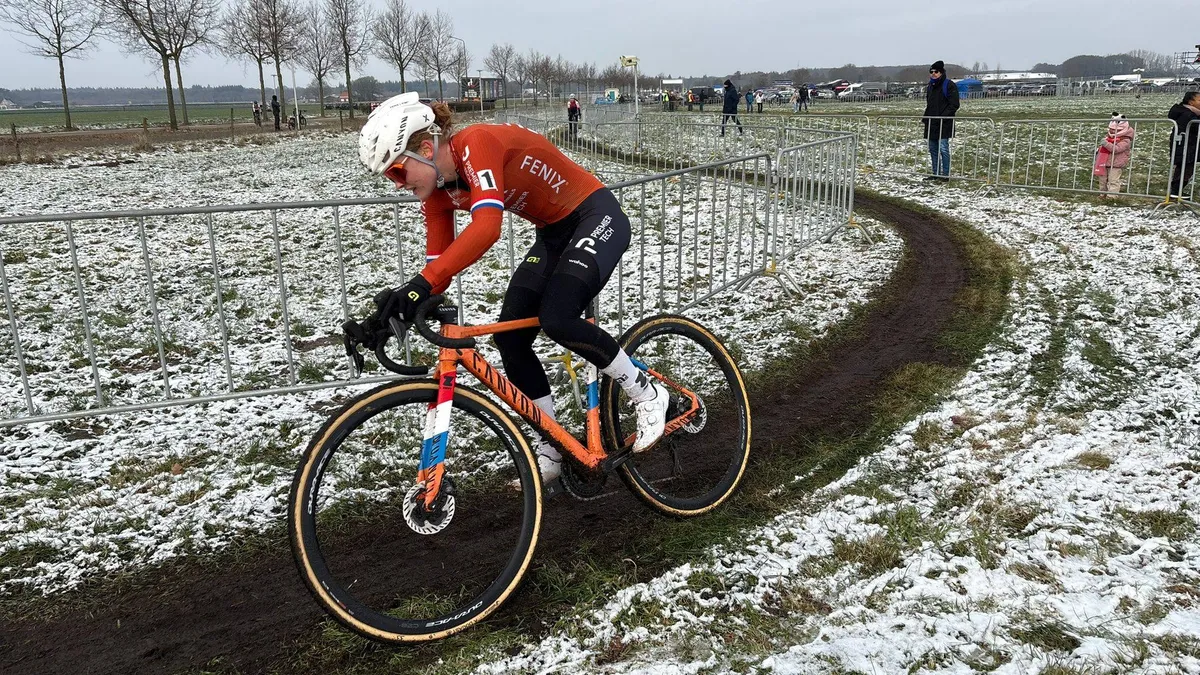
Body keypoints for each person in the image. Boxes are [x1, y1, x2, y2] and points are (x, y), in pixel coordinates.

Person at [358, 92, 670, 483]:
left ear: (425, 148)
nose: (397, 185)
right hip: (554, 234)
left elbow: (487, 228)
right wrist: (395, 308)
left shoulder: (476, 143)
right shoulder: (438, 194)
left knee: (557, 318)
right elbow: (437, 269)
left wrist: (421, 287)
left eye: (398, 173)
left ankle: (646, 392)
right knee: (513, 339)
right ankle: (552, 443)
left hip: (595, 214)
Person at [922, 60, 960, 181]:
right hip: (931, 123)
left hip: (944, 123)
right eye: (931, 71)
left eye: (936, 71)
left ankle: (945, 174)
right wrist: (926, 118)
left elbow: (954, 105)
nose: (933, 74)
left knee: (943, 149)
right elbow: (929, 104)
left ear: (941, 72)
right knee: (933, 149)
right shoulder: (930, 86)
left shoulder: (949, 85)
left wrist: (942, 117)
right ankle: (936, 173)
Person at [1093, 113, 1135, 198]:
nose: (1112, 131)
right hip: (1104, 163)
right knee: (1102, 180)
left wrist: (1106, 144)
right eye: (1111, 129)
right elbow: (1104, 148)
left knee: (1113, 180)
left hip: (1115, 164)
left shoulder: (1125, 140)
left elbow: (1117, 149)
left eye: (1115, 130)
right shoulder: (1108, 138)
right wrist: (1098, 150)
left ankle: (1112, 196)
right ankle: (1102, 194)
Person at [1168, 91, 1200, 199]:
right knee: (1185, 169)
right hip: (1185, 146)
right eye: (1199, 100)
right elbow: (1196, 126)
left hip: (1187, 145)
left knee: (1184, 168)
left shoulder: (1189, 112)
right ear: (1191, 102)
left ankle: (1176, 192)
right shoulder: (1187, 114)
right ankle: (1175, 192)